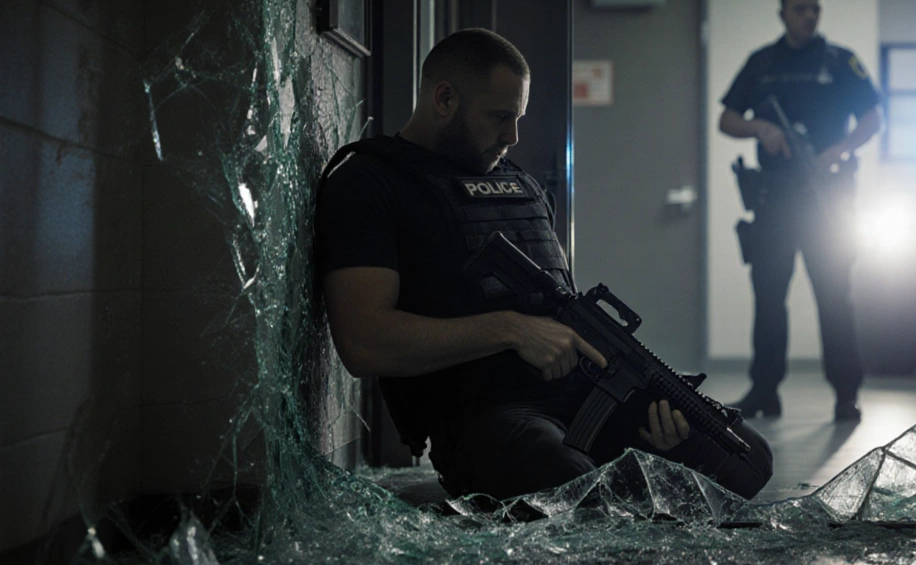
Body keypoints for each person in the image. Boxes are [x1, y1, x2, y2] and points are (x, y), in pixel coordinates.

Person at [316, 28, 772, 501]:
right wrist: (510, 329)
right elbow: (363, 342)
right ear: (445, 99)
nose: (512, 137)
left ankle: (621, 492)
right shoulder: (370, 182)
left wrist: (657, 442)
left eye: (518, 118)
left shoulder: (522, 186)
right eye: (500, 117)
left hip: (580, 397)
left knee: (745, 456)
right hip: (487, 415)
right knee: (566, 482)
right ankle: (611, 498)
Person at [718, 0, 884, 423]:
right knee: (768, 295)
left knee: (834, 296)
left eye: (815, 9)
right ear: (783, 14)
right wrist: (761, 129)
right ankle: (764, 391)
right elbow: (727, 119)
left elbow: (873, 117)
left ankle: (846, 394)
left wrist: (840, 150)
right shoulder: (762, 63)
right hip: (775, 198)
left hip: (827, 198)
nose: (809, 16)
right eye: (800, 9)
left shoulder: (840, 62)